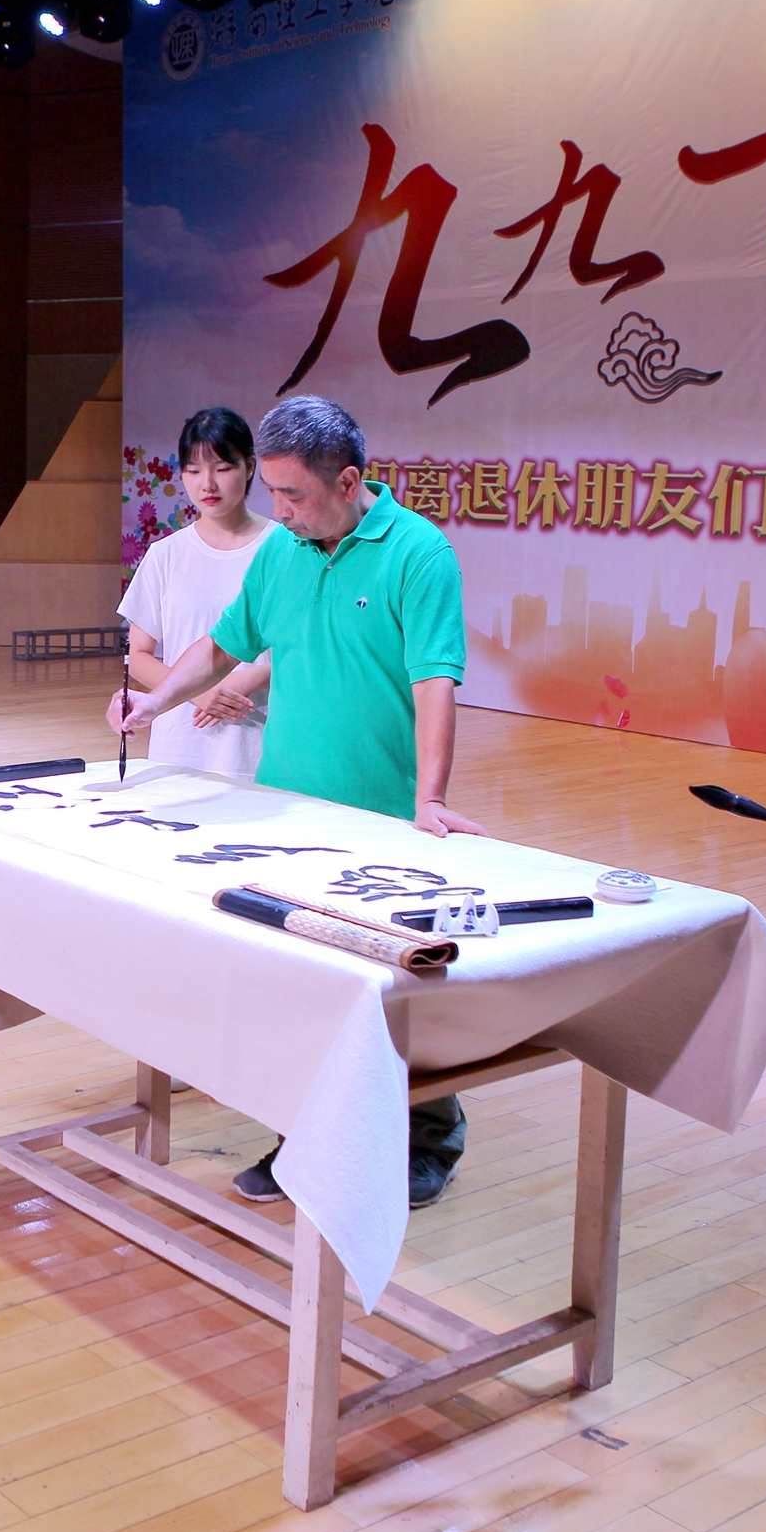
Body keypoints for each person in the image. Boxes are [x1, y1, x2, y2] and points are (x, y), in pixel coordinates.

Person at [112, 395, 484, 1209]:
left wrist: (429, 797)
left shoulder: (419, 554)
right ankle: (306, 1134)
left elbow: (435, 680)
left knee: (393, 986)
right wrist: (157, 700)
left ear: (347, 482)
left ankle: (430, 1134)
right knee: (298, 985)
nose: (277, 510)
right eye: (273, 492)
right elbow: (223, 644)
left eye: (292, 494)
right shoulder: (283, 551)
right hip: (288, 810)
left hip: (381, 815)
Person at [118, 408, 276, 779]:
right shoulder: (165, 555)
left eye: (222, 468)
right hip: (180, 745)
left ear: (250, 467)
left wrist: (253, 677)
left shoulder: (284, 548)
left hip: (260, 744)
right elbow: (138, 657)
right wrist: (196, 690)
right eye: (193, 470)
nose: (207, 484)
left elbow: (310, 652)